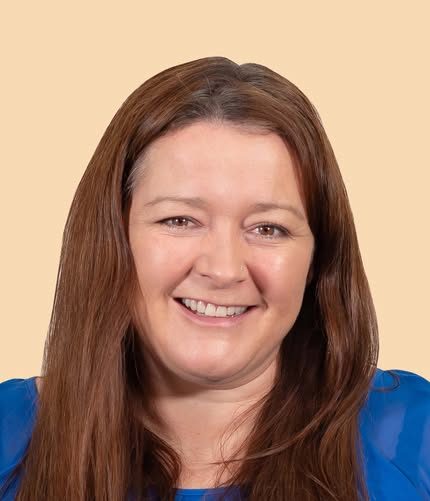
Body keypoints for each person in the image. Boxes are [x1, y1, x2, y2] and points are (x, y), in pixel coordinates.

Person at [0, 56, 429, 501]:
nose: (223, 270)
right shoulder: (7, 435)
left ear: (318, 259)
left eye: (268, 229)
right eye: (179, 220)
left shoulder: (416, 437)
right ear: (113, 238)